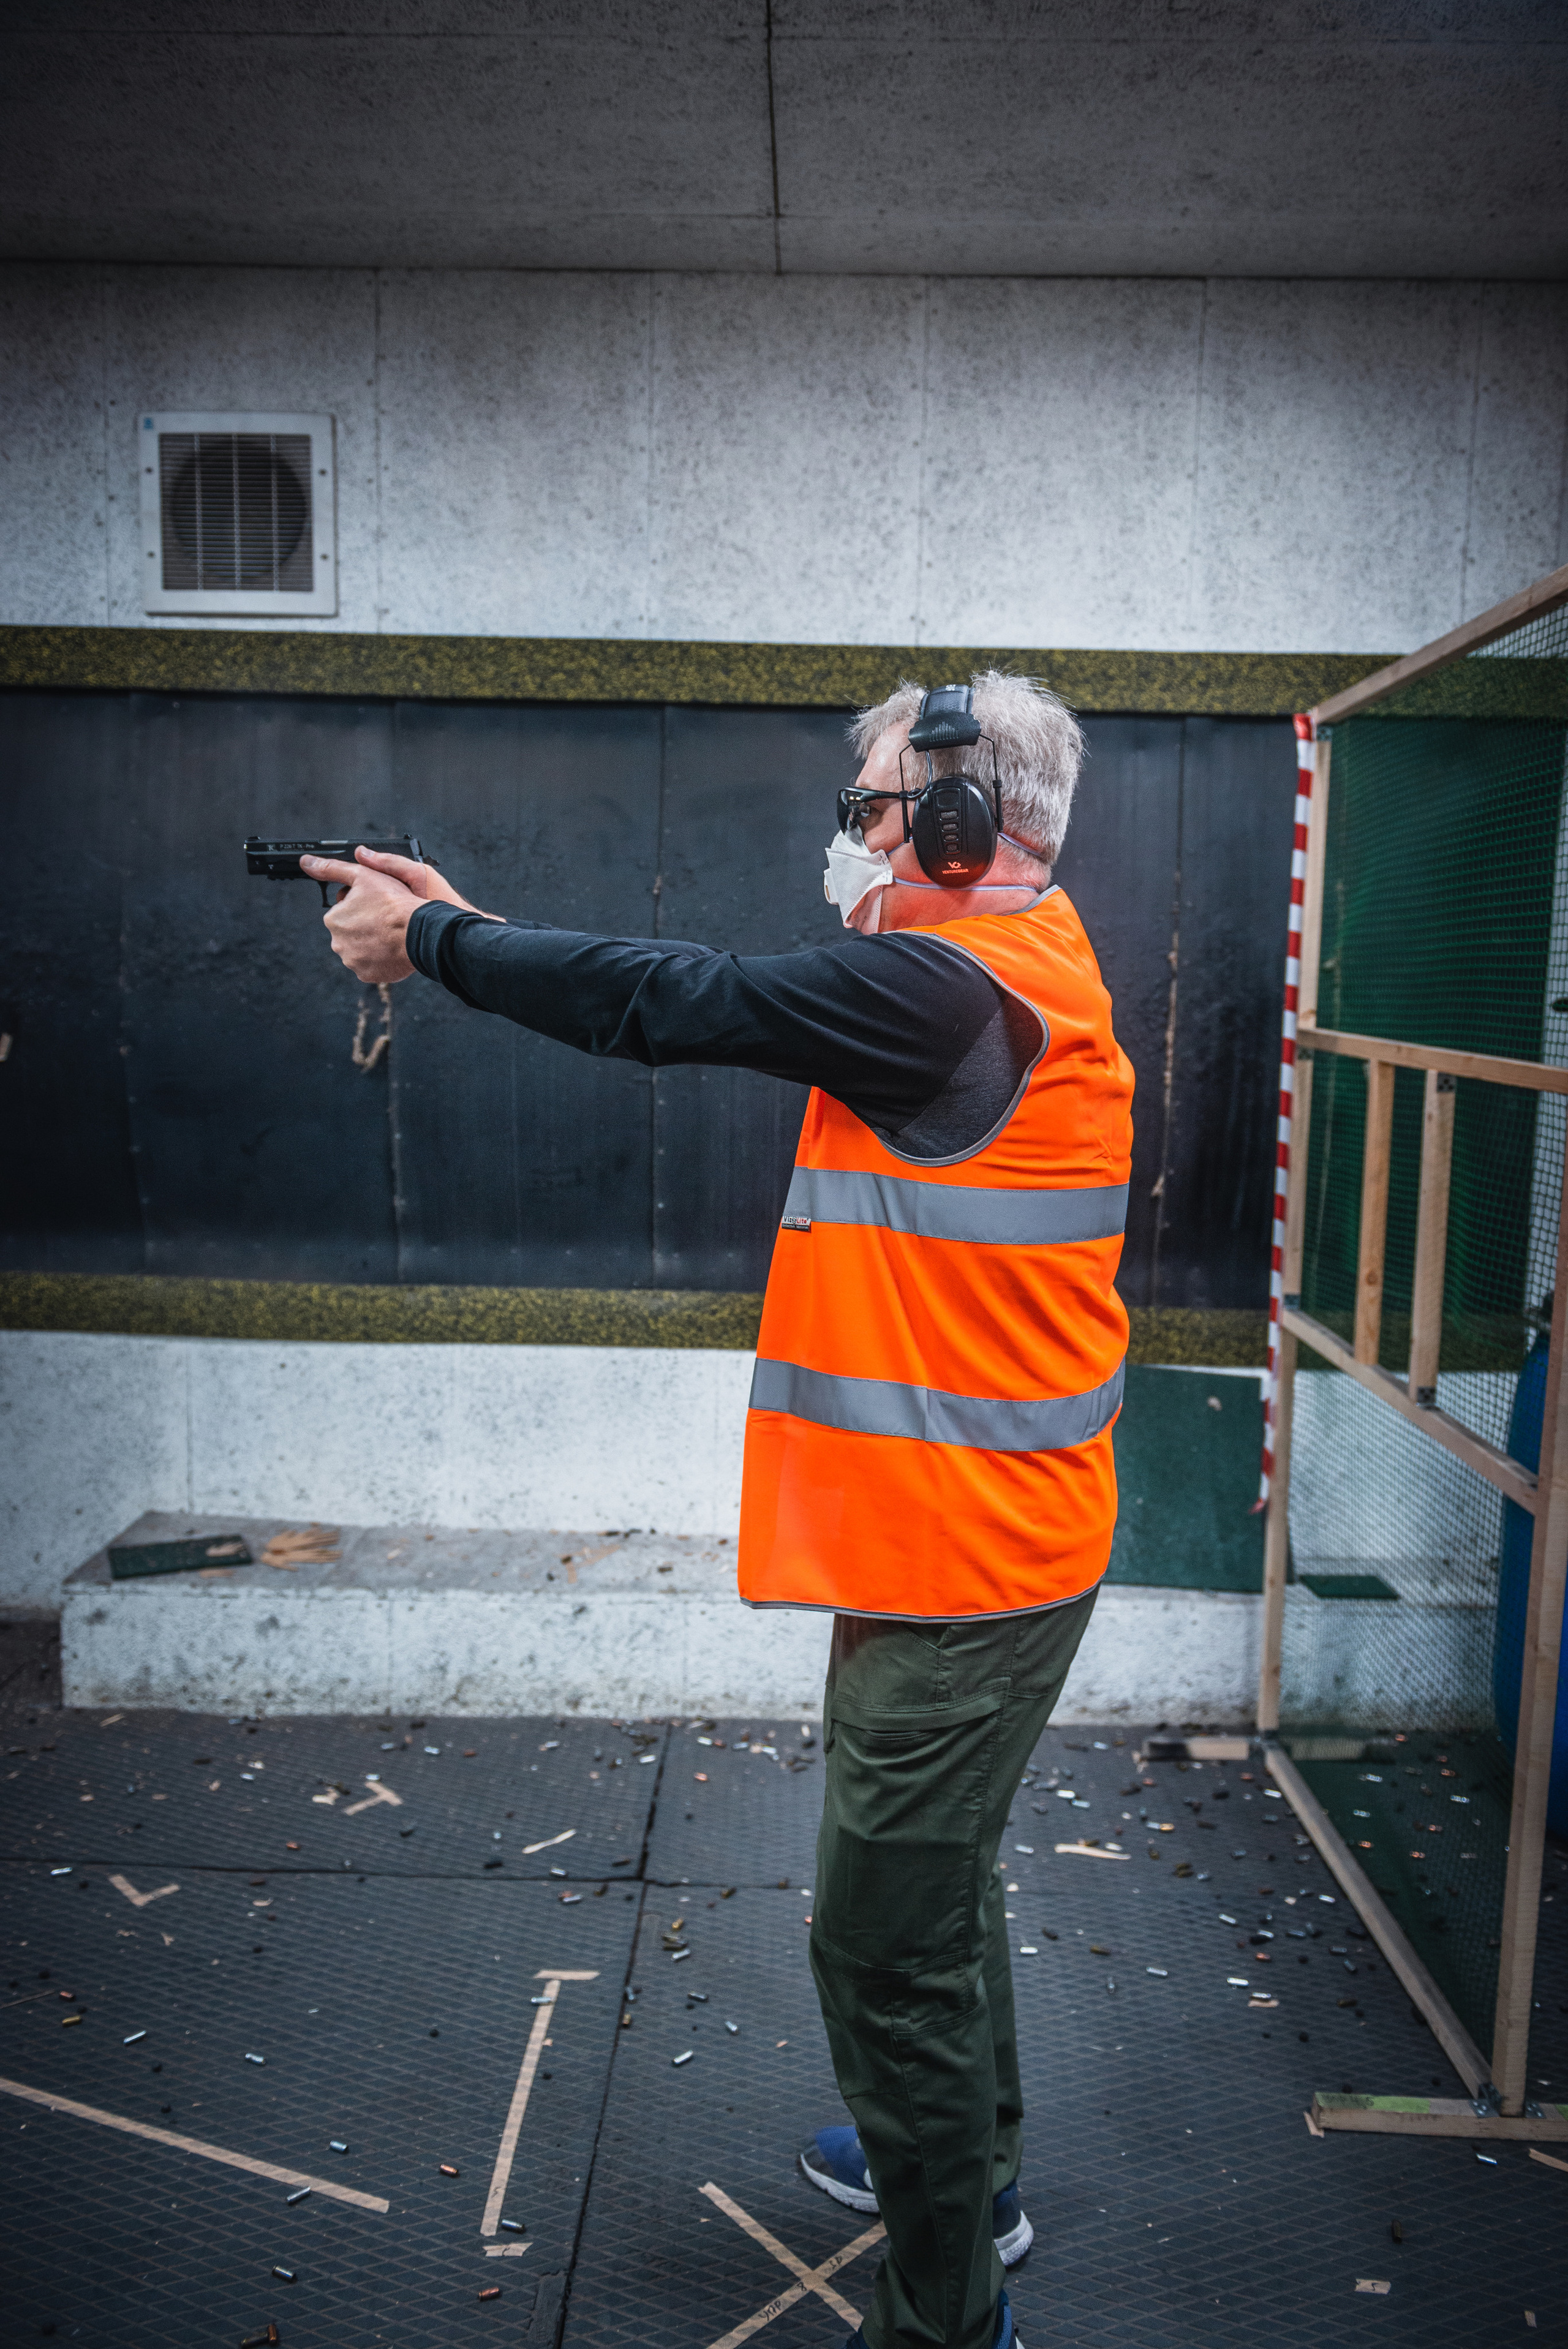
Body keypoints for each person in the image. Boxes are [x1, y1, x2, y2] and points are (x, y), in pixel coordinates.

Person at [301, 671, 1133, 2349]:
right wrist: (476, 918)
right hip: (964, 1541)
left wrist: (443, 949)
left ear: (970, 827)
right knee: (938, 1892)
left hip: (970, 1570)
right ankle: (971, 2179)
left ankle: (950, 2316)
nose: (858, 837)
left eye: (881, 807)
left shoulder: (953, 992)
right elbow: (684, 987)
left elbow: (674, 999)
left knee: (886, 1949)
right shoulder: (1004, 971)